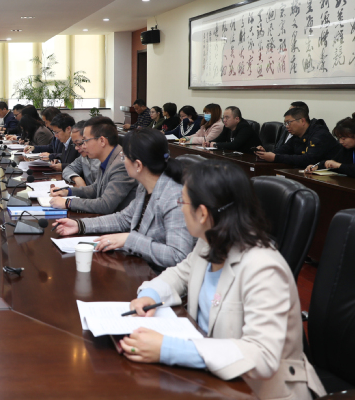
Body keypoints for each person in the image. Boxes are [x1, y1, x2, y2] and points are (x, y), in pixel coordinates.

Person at [123, 160, 326, 400]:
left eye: (182, 202)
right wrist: (151, 295)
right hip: (210, 378)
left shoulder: (265, 268)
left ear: (202, 213)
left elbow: (261, 354)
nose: (180, 208)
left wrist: (169, 349)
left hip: (259, 390)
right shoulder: (210, 240)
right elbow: (181, 273)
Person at [53, 128, 195, 269]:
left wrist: (129, 239)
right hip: (139, 266)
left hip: (160, 275)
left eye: (124, 157)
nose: (122, 161)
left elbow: (178, 256)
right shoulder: (145, 186)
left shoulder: (175, 197)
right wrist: (79, 225)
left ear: (138, 165)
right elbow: (123, 219)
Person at [49, 116, 136, 214]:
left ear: (102, 141)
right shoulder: (108, 158)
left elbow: (105, 205)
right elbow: (95, 189)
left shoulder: (121, 164)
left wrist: (68, 202)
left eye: (85, 141)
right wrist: (68, 191)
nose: (83, 146)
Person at [255, 107, 341, 168]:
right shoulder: (297, 135)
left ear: (302, 121)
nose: (286, 126)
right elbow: (284, 149)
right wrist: (266, 154)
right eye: (285, 123)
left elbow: (309, 159)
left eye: (289, 122)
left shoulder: (320, 134)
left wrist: (276, 157)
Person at [61, 120, 100, 187]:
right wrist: (76, 178)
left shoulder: (103, 159)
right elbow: (68, 169)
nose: (76, 148)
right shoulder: (83, 157)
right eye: (75, 144)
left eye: (79, 144)